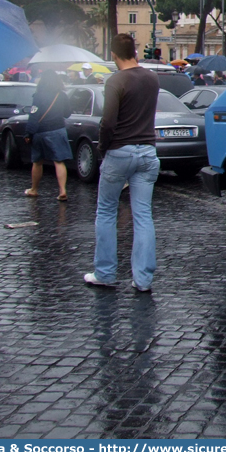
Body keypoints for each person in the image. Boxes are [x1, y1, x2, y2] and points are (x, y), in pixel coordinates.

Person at [85, 34, 160, 293]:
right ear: (135, 51)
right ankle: (143, 279)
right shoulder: (152, 78)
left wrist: (103, 148)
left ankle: (105, 273)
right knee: (143, 216)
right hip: (148, 153)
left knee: (106, 211)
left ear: (114, 54)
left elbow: (108, 122)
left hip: (120, 152)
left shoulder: (115, 80)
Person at [23, 71, 73, 201]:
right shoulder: (61, 95)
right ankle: (63, 190)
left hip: (40, 131)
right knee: (59, 161)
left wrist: (28, 133)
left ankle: (34, 189)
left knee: (37, 162)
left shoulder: (38, 96)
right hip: (58, 129)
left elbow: (34, 116)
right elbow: (67, 114)